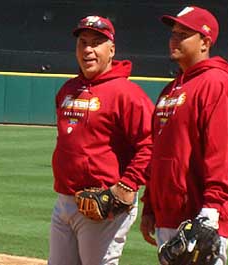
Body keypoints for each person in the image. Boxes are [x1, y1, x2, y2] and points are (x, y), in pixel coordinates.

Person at [140, 6, 228, 265]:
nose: (174, 39)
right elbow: (159, 153)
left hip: (200, 217)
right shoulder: (171, 89)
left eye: (184, 34)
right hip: (169, 214)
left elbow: (222, 151)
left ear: (205, 42)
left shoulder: (217, 84)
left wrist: (211, 211)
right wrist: (151, 206)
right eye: (173, 33)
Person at [48, 15, 153, 265]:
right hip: (64, 199)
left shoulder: (127, 94)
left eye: (96, 43)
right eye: (82, 43)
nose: (88, 50)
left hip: (104, 205)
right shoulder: (67, 90)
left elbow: (150, 145)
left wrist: (127, 186)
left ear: (111, 49)